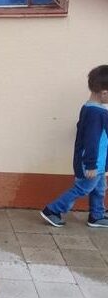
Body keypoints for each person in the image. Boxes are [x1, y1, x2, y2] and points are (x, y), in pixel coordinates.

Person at [41, 65, 108, 228]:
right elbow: (91, 140)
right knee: (83, 188)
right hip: (92, 163)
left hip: (98, 162)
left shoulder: (89, 108)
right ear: (104, 93)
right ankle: (52, 210)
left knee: (99, 188)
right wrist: (91, 164)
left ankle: (97, 215)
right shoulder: (97, 113)